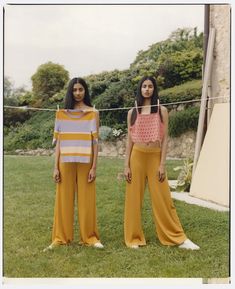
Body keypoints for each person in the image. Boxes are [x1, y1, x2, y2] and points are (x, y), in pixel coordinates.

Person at [124, 76, 200, 250]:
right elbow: (129, 140)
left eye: (150, 86)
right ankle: (133, 238)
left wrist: (162, 164)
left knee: (163, 198)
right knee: (133, 198)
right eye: (144, 86)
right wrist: (126, 165)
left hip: (155, 157)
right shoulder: (132, 112)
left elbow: (165, 139)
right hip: (137, 156)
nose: (147, 89)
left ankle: (177, 237)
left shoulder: (161, 110)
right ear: (140, 89)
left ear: (154, 89)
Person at [44, 77, 103, 251]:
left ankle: (90, 238)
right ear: (70, 92)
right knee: (63, 200)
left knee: (87, 200)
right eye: (75, 90)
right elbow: (60, 142)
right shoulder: (62, 114)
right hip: (65, 162)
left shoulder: (93, 113)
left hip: (86, 162)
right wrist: (55, 167)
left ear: (85, 91)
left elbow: (95, 143)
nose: (78, 93)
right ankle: (60, 238)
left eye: (81, 89)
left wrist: (94, 167)